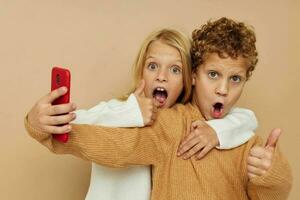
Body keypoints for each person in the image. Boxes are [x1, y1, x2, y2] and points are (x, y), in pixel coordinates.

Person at [25, 18, 286, 200]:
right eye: (213, 75)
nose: (223, 90)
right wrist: (52, 131)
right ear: (193, 76)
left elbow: (269, 194)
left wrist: (271, 174)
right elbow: (121, 144)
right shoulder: (171, 124)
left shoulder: (247, 139)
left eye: (235, 79)